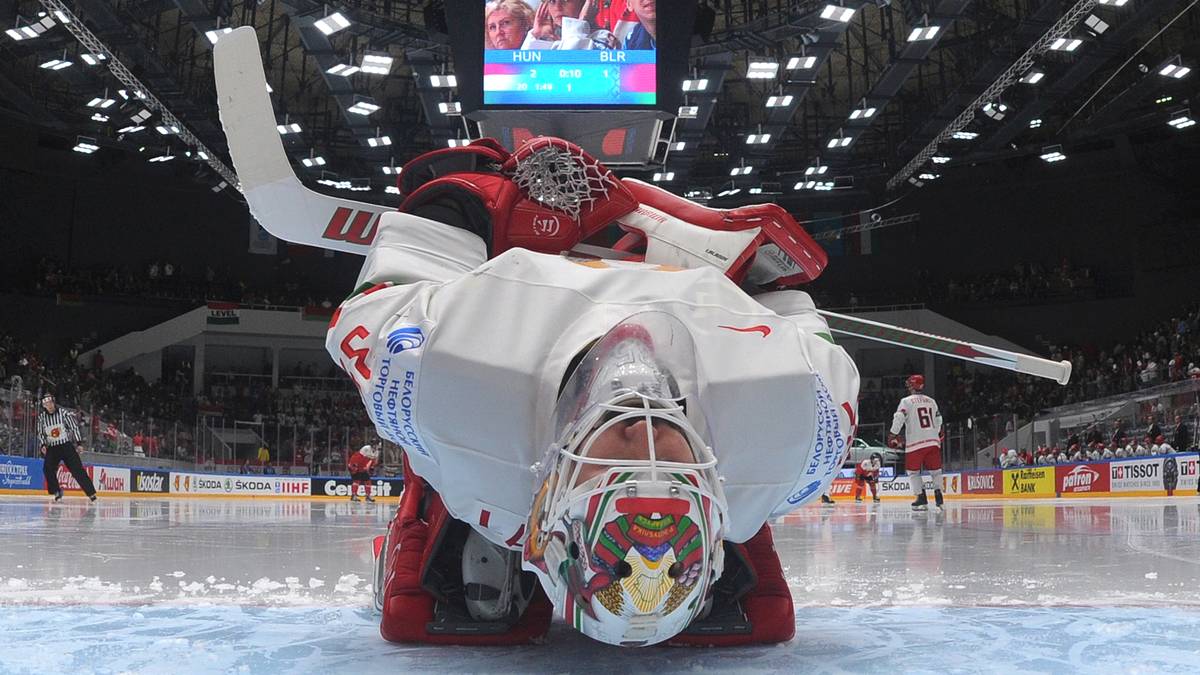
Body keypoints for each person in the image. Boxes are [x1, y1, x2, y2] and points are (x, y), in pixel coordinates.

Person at [326, 138, 858, 648]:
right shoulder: (799, 429)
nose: (645, 435)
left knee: (457, 607)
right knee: (758, 611)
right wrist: (759, 277)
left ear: (547, 500)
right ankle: (726, 573)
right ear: (716, 511)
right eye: (676, 479)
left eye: (615, 473)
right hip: (693, 337)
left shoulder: (453, 385)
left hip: (507, 349)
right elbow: (791, 298)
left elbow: (378, 300)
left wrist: (472, 196)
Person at [888, 374, 944, 511]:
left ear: (911, 385)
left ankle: (921, 498)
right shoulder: (931, 401)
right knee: (936, 471)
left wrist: (893, 433)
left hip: (915, 443)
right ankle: (939, 498)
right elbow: (939, 420)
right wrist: (934, 433)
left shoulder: (906, 401)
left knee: (913, 472)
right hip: (932, 441)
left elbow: (899, 417)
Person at [37, 394, 97, 503]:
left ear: (53, 403)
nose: (49, 406)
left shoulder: (63, 413)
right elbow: (41, 433)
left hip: (65, 446)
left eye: (50, 403)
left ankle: (91, 493)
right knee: (48, 468)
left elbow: (74, 427)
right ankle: (56, 491)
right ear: (44, 406)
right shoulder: (42, 418)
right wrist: (43, 445)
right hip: (52, 447)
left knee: (77, 469)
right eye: (46, 404)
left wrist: (79, 443)